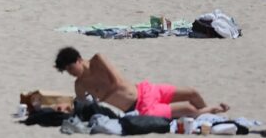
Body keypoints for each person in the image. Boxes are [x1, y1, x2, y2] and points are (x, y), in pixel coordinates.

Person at [54, 47, 229, 119]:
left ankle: (207, 119)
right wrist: (66, 107)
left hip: (146, 91)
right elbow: (82, 107)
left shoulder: (97, 60)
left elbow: (117, 81)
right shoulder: (80, 85)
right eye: (67, 71)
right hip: (138, 109)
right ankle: (210, 111)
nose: (70, 73)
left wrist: (103, 96)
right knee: (188, 109)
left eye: (70, 68)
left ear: (78, 59)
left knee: (192, 93)